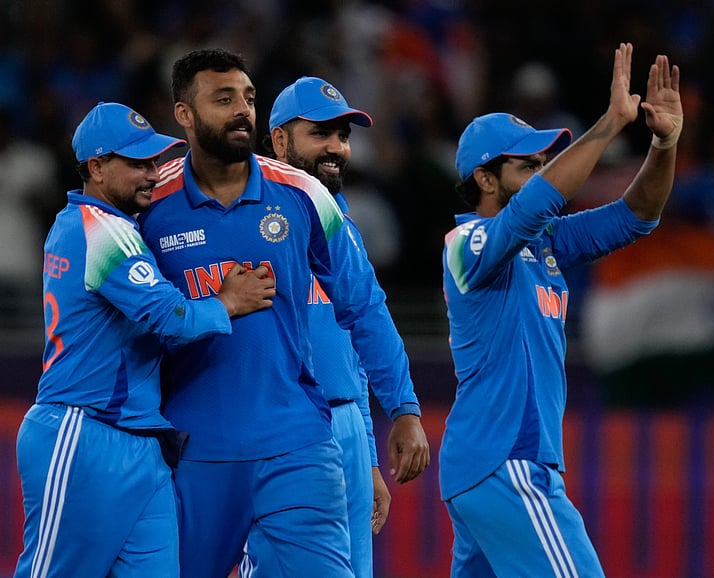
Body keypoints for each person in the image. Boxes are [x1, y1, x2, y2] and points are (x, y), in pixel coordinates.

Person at [136, 50, 429, 577]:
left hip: (297, 445)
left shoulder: (303, 194)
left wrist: (403, 407)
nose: (242, 110)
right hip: (196, 449)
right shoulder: (148, 204)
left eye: (248, 98)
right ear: (184, 114)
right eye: (223, 99)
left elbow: (362, 305)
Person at [441, 42, 682, 576]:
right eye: (527, 165)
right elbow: (535, 204)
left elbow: (637, 216)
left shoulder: (547, 242)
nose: (542, 173)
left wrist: (663, 144)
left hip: (494, 465)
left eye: (542, 163)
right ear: (484, 178)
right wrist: (610, 124)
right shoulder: (466, 242)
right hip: (506, 459)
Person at [14, 102, 275, 577]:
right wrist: (227, 303)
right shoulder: (101, 230)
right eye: (136, 164)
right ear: (96, 167)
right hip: (83, 429)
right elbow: (169, 317)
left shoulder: (99, 227)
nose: (152, 174)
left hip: (141, 439)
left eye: (154, 161)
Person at [236, 75, 419, 577]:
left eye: (343, 136)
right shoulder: (246, 219)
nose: (337, 148)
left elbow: (352, 348)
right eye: (321, 134)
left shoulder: (338, 218)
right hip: (281, 426)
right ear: (278, 139)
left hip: (345, 431)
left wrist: (367, 455)